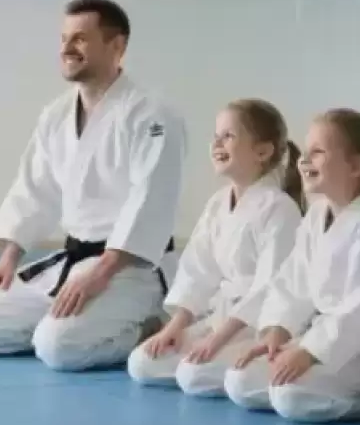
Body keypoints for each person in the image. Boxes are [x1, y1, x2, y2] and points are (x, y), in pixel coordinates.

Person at [0, 0, 187, 372]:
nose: (66, 48)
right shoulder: (56, 114)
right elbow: (35, 188)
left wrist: (101, 273)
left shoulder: (151, 114)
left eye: (80, 38)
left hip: (130, 268)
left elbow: (150, 200)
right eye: (64, 39)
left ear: (117, 46)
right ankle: (76, 324)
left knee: (58, 348)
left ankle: (150, 324)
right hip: (74, 261)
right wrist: (9, 258)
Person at [224, 108, 360, 422]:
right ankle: (320, 382)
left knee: (289, 395)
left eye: (317, 152)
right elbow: (292, 282)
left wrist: (311, 352)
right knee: (240, 379)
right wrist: (276, 333)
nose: (303, 161)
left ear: (356, 166)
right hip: (319, 339)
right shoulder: (316, 216)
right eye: (306, 152)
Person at [127, 99, 304, 395]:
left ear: (262, 151)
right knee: (142, 362)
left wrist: (217, 339)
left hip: (257, 325)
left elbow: (268, 289)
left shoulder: (280, 208)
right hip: (220, 317)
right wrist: (175, 327)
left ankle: (248, 369)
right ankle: (214, 361)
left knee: (194, 375)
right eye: (216, 135)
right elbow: (197, 272)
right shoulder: (218, 203)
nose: (217, 143)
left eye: (228, 136)